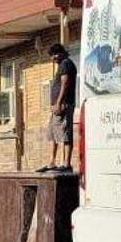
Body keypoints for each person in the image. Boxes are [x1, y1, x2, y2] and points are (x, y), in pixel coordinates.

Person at [45, 42, 77, 172]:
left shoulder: (65, 63)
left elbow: (65, 83)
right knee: (52, 133)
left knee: (65, 133)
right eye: (52, 56)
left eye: (55, 55)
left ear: (61, 53)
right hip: (57, 106)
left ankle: (66, 163)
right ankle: (52, 162)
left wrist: (58, 103)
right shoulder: (62, 64)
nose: (53, 58)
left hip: (63, 105)